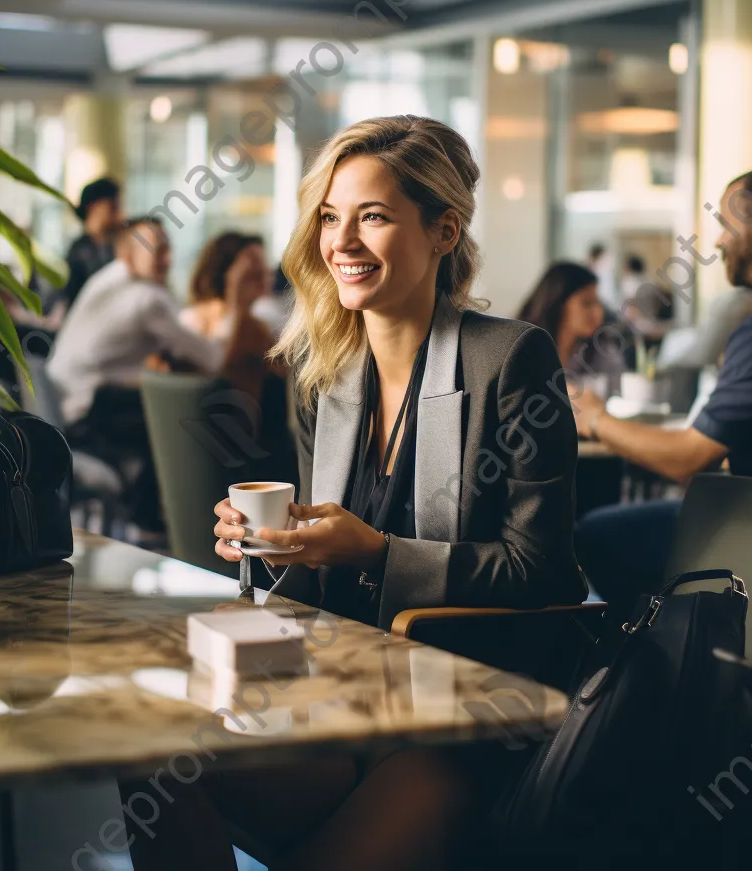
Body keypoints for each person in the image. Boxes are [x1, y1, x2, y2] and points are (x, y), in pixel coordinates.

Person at [120, 116, 587, 871]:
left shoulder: (511, 358)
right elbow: (319, 573)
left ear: (444, 230)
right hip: (341, 697)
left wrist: (377, 550)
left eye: (373, 217)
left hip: (463, 713)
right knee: (149, 753)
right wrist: (271, 546)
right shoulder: (326, 376)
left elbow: (546, 572)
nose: (342, 242)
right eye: (330, 218)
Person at [572, 164, 752, 610]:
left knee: (593, 535)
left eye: (724, 224)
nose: (718, 241)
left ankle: (681, 659)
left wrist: (593, 417)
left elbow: (687, 458)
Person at [47, 218, 262, 531]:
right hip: (88, 412)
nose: (167, 259)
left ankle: (154, 517)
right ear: (128, 256)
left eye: (168, 249)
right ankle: (165, 523)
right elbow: (214, 360)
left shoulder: (107, 279)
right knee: (192, 418)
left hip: (62, 403)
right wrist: (235, 299)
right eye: (157, 250)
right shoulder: (147, 299)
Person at [180, 232, 298, 485]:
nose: (265, 278)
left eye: (264, 270)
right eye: (252, 273)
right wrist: (236, 302)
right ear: (226, 274)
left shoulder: (254, 324)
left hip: (230, 442)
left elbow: (287, 371)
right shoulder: (201, 320)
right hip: (229, 445)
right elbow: (216, 368)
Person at [518, 261, 626, 396]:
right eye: (587, 303)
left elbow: (619, 397)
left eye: (598, 303)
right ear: (557, 303)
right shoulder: (521, 350)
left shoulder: (602, 350)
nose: (598, 312)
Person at [61, 177, 122, 309]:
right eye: (112, 207)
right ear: (93, 207)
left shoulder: (116, 248)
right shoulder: (79, 252)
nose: (119, 215)